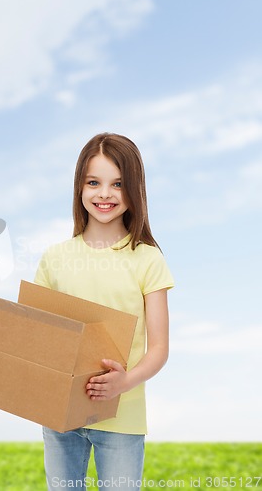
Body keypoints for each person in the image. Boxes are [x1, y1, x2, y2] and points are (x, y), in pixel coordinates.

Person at [34, 133, 174, 490]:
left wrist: (124, 382)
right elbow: (35, 334)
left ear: (135, 191)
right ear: (79, 187)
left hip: (121, 418)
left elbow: (159, 349)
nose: (104, 194)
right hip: (60, 413)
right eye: (94, 182)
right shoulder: (56, 258)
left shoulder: (147, 259)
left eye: (118, 184)